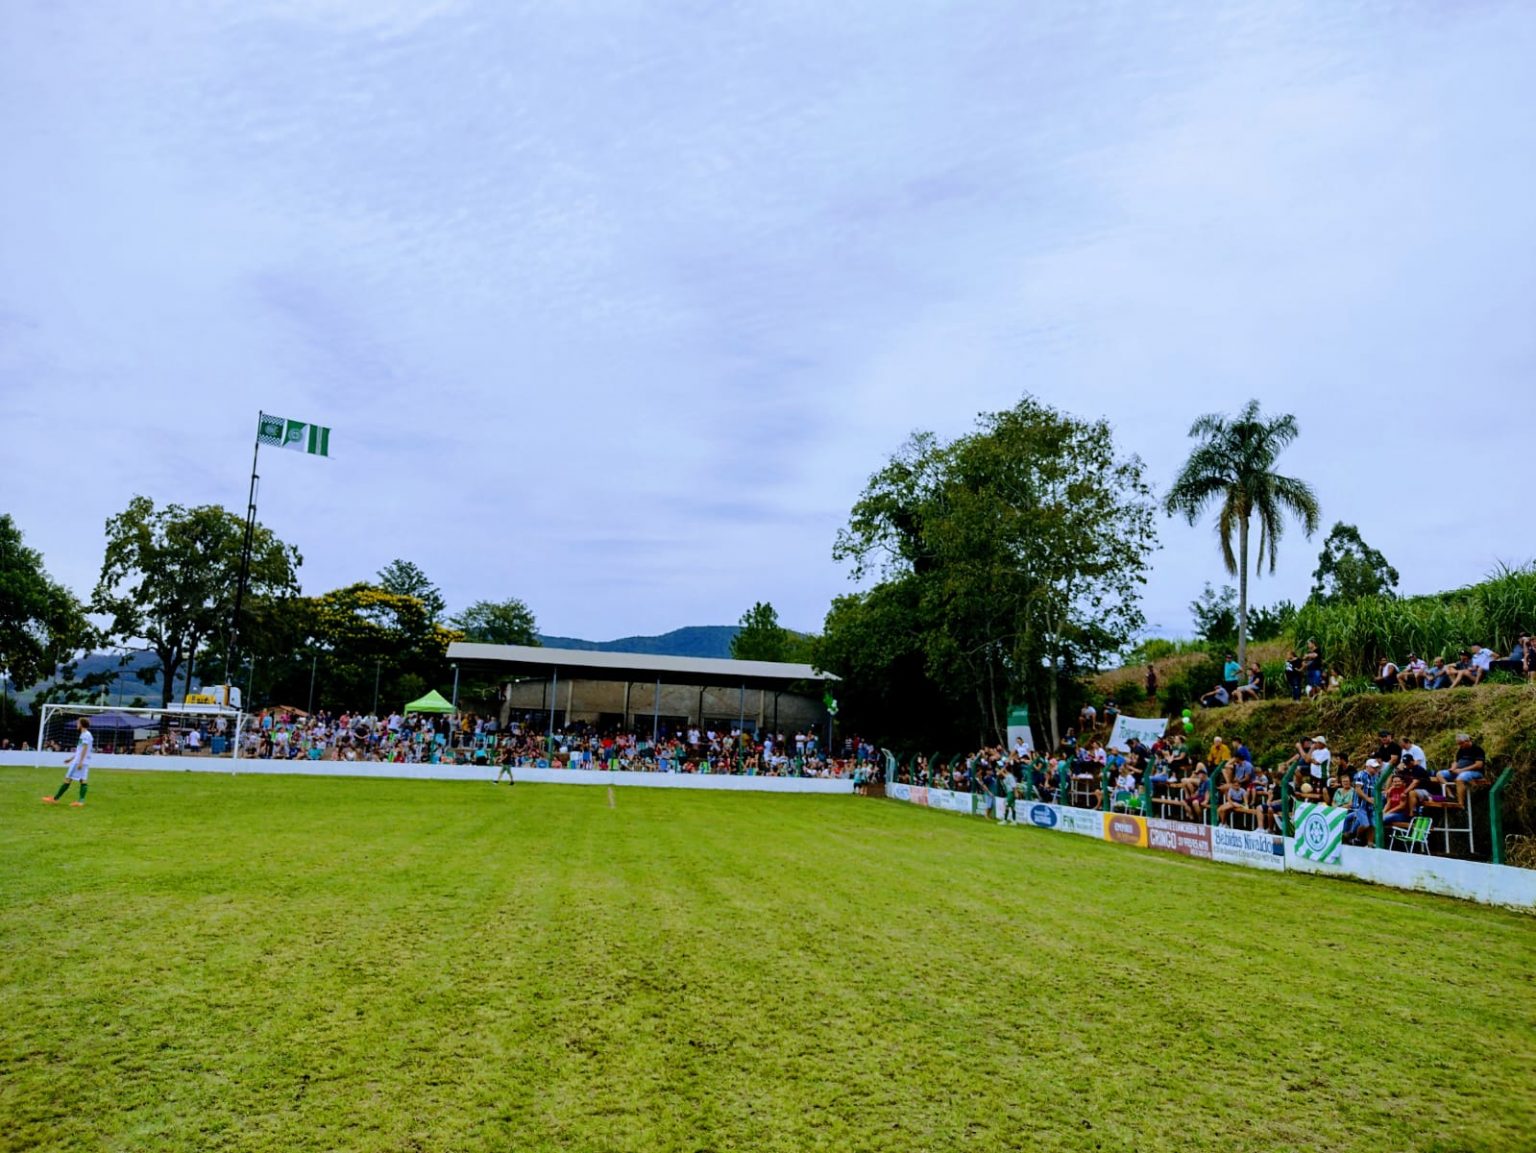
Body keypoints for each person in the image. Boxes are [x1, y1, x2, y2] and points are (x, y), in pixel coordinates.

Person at [42, 718, 93, 807]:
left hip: (79, 762)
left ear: (81, 724)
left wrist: (80, 762)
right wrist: (71, 759)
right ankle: (81, 802)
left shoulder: (85, 735)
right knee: (83, 780)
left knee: (68, 779)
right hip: (84, 761)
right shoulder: (87, 734)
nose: (77, 725)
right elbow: (80, 750)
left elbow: (85, 749)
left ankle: (55, 799)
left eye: (78, 723)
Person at [1435, 733, 1486, 806]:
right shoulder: (1461, 750)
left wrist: (1461, 770)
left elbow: (1479, 765)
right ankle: (1450, 793)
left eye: (1461, 743)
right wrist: (1452, 768)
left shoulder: (1477, 750)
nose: (1459, 746)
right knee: (1439, 774)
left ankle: (1460, 803)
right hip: (1459, 771)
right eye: (1458, 744)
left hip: (1475, 772)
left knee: (1460, 778)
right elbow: (1456, 762)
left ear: (1467, 741)